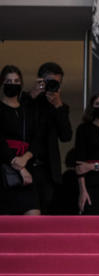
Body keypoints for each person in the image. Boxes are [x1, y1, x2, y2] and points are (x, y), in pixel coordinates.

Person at [26, 62, 72, 214]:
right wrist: (32, 96)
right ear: (41, 81)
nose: (52, 85)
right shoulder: (27, 101)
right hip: (27, 165)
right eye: (49, 82)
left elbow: (66, 136)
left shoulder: (60, 107)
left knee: (46, 209)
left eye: (56, 83)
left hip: (48, 169)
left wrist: (58, 106)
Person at [1, 65, 42, 215]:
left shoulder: (27, 110)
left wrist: (26, 158)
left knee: (33, 217)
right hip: (4, 170)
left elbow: (37, 139)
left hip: (27, 169)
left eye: (16, 81)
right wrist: (19, 165)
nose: (13, 84)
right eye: (9, 81)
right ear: (2, 84)